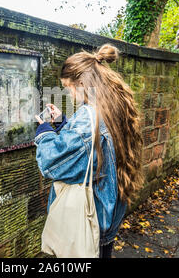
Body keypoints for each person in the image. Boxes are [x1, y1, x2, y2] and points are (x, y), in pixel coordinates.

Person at [34, 44, 144, 258]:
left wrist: (44, 131)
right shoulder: (114, 104)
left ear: (81, 83)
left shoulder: (88, 116)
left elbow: (51, 163)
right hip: (109, 213)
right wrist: (63, 122)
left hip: (90, 220)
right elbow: (90, 150)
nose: (69, 93)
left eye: (68, 87)